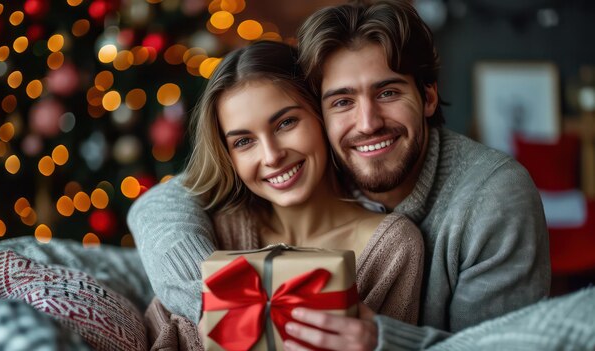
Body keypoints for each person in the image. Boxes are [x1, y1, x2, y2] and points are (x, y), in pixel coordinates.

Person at [128, 0, 550, 349]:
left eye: (388, 92)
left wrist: (379, 341)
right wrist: (215, 298)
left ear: (427, 96)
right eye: (342, 101)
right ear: (321, 111)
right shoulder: (305, 169)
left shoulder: (492, 196)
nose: (367, 123)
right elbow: (162, 203)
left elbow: (504, 344)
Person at [139, 40, 425, 349]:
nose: (272, 156)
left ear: (321, 115)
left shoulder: (394, 246)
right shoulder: (216, 231)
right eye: (244, 142)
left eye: (286, 123)